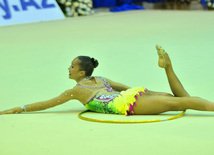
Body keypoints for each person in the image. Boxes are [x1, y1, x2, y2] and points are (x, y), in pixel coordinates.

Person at [1, 45, 214, 116]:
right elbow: (128, 88)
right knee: (181, 99)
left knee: (180, 102)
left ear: (81, 73)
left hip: (125, 103)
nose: (69, 68)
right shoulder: (101, 78)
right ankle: (168, 67)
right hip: (132, 95)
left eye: (72, 66)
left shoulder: (75, 91)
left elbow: (47, 104)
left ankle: (169, 68)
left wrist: (19, 108)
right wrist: (146, 94)